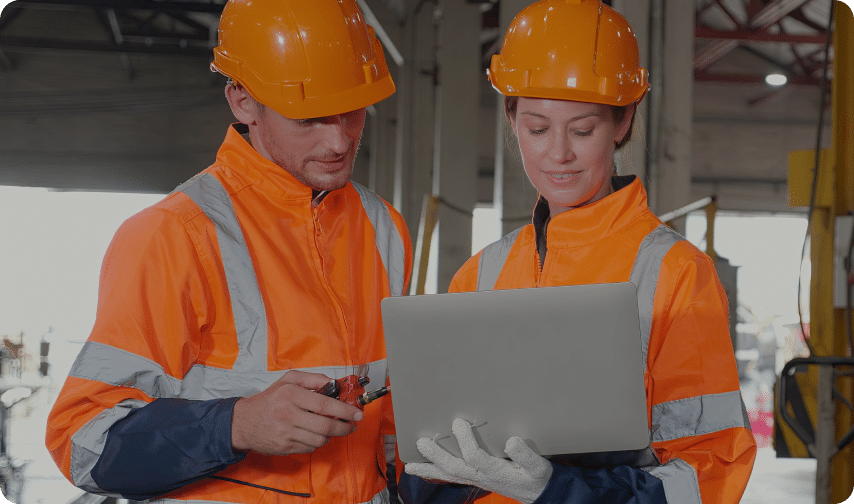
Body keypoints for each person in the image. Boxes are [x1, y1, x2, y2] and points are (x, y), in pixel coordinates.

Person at [44, 1, 412, 503]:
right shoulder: (174, 235)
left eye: (352, 111)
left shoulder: (382, 227)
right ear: (242, 101)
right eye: (310, 118)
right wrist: (235, 425)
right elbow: (81, 441)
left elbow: (388, 424)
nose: (339, 139)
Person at [400, 1, 757, 503]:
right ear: (511, 118)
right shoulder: (482, 272)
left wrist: (560, 491)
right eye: (537, 128)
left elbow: (711, 472)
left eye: (583, 130)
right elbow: (434, 450)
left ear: (623, 121)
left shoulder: (674, 274)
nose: (558, 154)